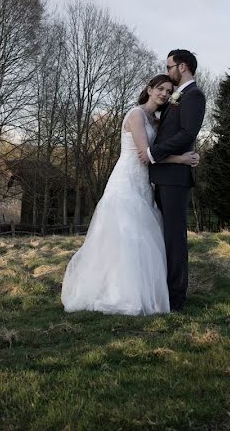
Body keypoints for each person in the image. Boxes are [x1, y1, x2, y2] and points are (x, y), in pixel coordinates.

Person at [61, 74, 200, 315]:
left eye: (169, 91)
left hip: (145, 183)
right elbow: (145, 153)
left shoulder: (156, 120)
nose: (165, 94)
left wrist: (187, 153)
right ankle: (118, 292)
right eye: (160, 89)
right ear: (149, 89)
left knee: (143, 236)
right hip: (126, 180)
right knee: (125, 234)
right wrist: (181, 159)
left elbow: (162, 147)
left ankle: (145, 290)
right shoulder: (136, 115)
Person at [139, 49, 206, 311]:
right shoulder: (176, 96)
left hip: (176, 179)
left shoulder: (194, 96)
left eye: (169, 67)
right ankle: (164, 289)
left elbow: (188, 133)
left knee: (175, 238)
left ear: (183, 67)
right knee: (164, 236)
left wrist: (153, 153)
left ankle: (176, 298)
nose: (167, 71)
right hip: (164, 175)